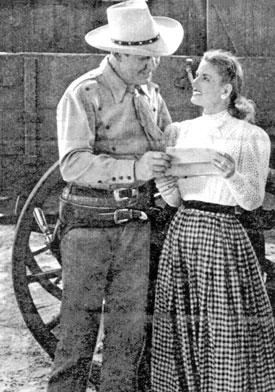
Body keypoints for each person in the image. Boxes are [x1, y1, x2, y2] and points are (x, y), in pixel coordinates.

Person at [46, 1, 183, 391]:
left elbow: (169, 143)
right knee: (77, 333)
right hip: (89, 228)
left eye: (153, 58)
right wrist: (137, 169)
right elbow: (72, 165)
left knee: (127, 336)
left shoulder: (152, 94)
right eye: (141, 59)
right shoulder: (83, 93)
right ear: (116, 52)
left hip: (135, 228)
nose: (150, 67)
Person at [151, 49, 275, 391]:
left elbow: (252, 201)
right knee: (182, 323)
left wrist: (233, 174)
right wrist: (164, 181)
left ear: (226, 89)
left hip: (223, 237)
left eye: (205, 77)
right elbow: (175, 200)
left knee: (223, 328)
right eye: (197, 75)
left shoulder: (250, 136)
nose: (195, 82)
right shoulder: (178, 131)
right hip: (183, 234)